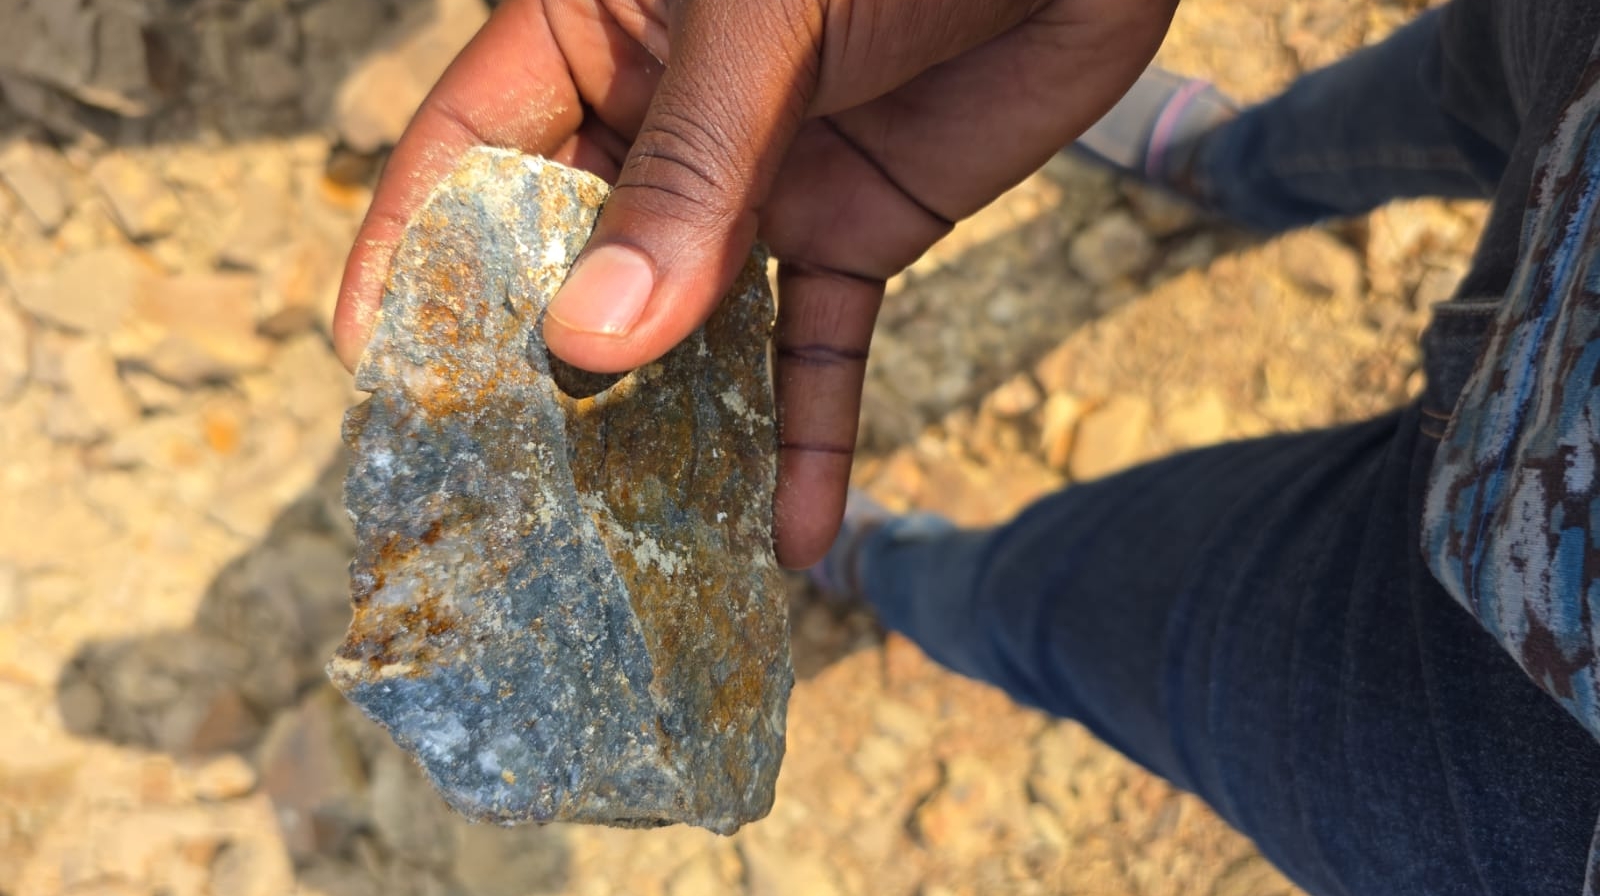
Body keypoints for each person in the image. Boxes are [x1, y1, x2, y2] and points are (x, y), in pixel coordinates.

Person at [332, 0, 1600, 893]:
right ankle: (1230, 163)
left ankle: (900, 572)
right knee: (1476, 65)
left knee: (1070, 606)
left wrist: (689, 177)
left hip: (1532, 722)